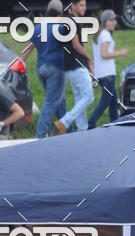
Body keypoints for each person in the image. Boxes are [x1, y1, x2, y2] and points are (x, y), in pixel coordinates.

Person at [20, 0, 67, 139]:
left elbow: (28, 49)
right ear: (60, 12)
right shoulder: (61, 28)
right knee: (51, 101)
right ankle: (41, 134)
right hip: (56, 69)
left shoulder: (38, 27)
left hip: (41, 69)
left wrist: (18, 62)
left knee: (60, 99)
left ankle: (67, 130)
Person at [52, 0, 95, 135]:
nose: (84, 8)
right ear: (73, 6)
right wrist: (89, 58)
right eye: (81, 5)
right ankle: (64, 122)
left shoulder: (67, 21)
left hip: (68, 65)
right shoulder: (73, 22)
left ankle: (82, 130)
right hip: (77, 64)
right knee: (88, 97)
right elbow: (76, 45)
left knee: (79, 97)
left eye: (85, 5)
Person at [88, 10, 128, 128]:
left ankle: (115, 124)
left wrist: (93, 73)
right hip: (108, 75)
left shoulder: (98, 35)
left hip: (101, 75)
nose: (114, 22)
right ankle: (90, 124)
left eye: (115, 20)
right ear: (105, 22)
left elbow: (95, 57)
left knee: (113, 101)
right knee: (105, 102)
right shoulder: (105, 35)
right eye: (111, 20)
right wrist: (121, 52)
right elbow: (104, 54)